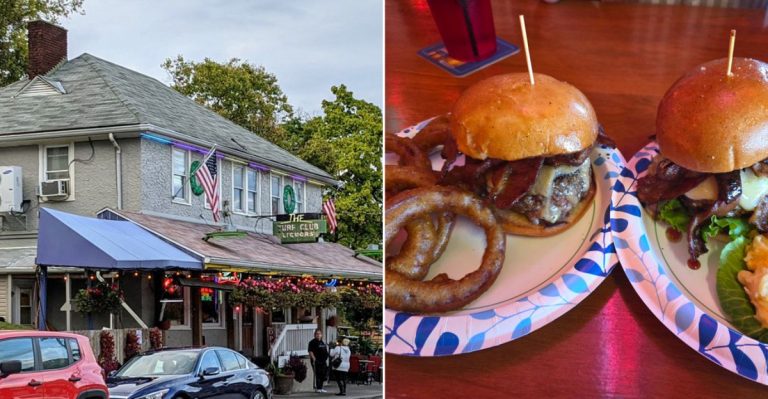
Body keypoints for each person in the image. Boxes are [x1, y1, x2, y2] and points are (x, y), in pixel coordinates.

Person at [307, 328, 329, 393]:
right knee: (318, 374)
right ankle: (318, 388)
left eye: (319, 334)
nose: (318, 335)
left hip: (323, 361)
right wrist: (314, 360)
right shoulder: (312, 342)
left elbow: (325, 351)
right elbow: (310, 351)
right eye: (317, 334)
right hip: (316, 361)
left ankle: (321, 388)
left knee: (323, 374)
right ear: (314, 335)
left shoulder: (322, 342)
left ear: (321, 335)